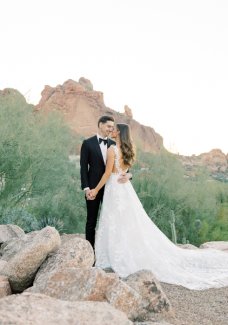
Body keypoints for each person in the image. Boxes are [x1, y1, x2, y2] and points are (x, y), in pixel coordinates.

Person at [90, 123, 228, 290]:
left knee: (116, 221)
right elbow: (127, 170)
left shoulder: (112, 150)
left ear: (119, 132)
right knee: (127, 222)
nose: (111, 131)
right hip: (125, 189)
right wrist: (129, 174)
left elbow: (107, 173)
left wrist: (96, 189)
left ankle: (116, 255)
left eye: (114, 130)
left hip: (115, 188)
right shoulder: (128, 149)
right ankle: (121, 252)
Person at [80, 116, 131, 250]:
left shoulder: (114, 145)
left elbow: (125, 167)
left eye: (112, 127)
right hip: (93, 188)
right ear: (100, 125)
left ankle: (111, 250)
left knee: (112, 220)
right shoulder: (87, 143)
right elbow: (83, 168)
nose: (110, 129)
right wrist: (87, 189)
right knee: (91, 220)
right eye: (108, 126)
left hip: (112, 188)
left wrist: (130, 175)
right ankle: (90, 252)